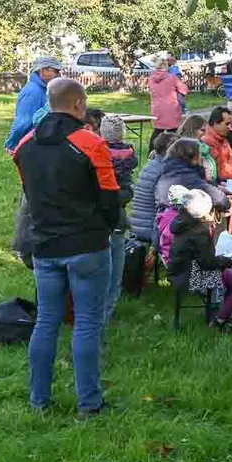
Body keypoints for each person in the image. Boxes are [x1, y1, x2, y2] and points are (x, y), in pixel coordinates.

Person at [13, 77, 119, 417]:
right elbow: (110, 201)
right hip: (87, 244)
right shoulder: (92, 143)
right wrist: (103, 229)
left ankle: (38, 400)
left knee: (46, 321)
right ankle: (89, 403)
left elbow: (30, 196)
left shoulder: (24, 146)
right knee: (87, 323)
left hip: (45, 245)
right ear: (78, 104)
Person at [167, 187, 232, 333]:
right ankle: (219, 319)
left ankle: (224, 313)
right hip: (192, 276)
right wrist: (226, 260)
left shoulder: (181, 221)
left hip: (178, 271)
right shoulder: (199, 232)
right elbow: (208, 263)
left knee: (231, 275)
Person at [99, 115, 137, 325]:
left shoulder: (98, 152)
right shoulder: (129, 152)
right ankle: (107, 310)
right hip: (116, 215)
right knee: (114, 268)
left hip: (104, 215)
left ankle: (101, 311)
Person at [155, 138, 228, 218]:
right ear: (194, 157)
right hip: (178, 220)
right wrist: (228, 203)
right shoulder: (183, 175)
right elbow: (218, 199)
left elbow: (200, 183)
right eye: (199, 155)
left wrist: (216, 186)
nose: (201, 158)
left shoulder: (170, 168)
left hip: (164, 217)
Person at [5, 56, 62, 153]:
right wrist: (12, 144)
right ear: (42, 71)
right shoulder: (33, 91)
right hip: (32, 145)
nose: (58, 74)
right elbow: (23, 122)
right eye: (55, 71)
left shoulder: (45, 89)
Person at [129, 131, 176, 242]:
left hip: (138, 224)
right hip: (152, 228)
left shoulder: (151, 165)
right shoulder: (165, 171)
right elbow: (165, 203)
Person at [147, 58, 188, 156]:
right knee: (173, 131)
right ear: (166, 66)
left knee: (157, 131)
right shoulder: (172, 78)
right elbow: (184, 89)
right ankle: (174, 152)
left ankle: (151, 152)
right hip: (171, 107)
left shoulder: (151, 79)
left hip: (157, 108)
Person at [178, 115, 217, 181]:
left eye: (206, 131)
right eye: (202, 130)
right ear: (192, 129)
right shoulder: (185, 149)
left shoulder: (203, 146)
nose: (205, 134)